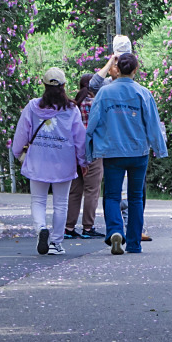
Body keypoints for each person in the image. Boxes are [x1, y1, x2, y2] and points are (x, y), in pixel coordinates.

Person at [87, 51, 166, 254]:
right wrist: (159, 148)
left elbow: (93, 122)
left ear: (116, 69)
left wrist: (88, 149)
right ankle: (134, 243)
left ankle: (115, 231)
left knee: (112, 195)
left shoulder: (104, 93)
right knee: (136, 197)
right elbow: (153, 124)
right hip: (138, 152)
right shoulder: (143, 93)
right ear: (136, 70)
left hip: (112, 151)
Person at [11, 67, 87, 256]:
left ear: (44, 85)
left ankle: (41, 229)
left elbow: (22, 133)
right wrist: (83, 161)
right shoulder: (71, 109)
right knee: (61, 203)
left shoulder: (33, 107)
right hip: (64, 161)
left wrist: (17, 152)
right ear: (64, 86)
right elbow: (79, 138)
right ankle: (56, 243)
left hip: (38, 159)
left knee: (38, 200)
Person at [65, 72, 105, 237]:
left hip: (74, 152)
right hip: (93, 150)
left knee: (75, 191)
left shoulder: (73, 105)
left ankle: (69, 228)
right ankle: (88, 227)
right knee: (92, 190)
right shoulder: (96, 103)